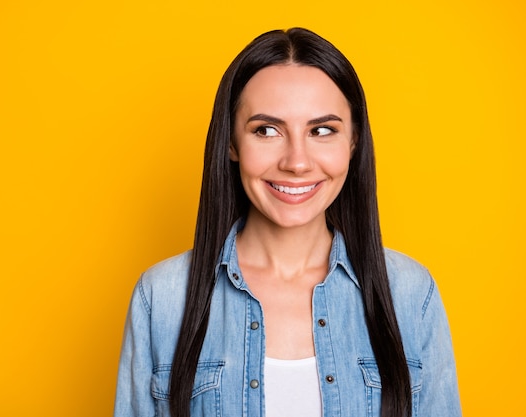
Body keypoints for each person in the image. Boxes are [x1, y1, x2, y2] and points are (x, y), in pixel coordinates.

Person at [114, 28, 461, 417]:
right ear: (230, 142)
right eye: (266, 130)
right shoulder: (161, 298)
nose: (296, 162)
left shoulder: (411, 295)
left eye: (322, 130)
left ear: (354, 142)